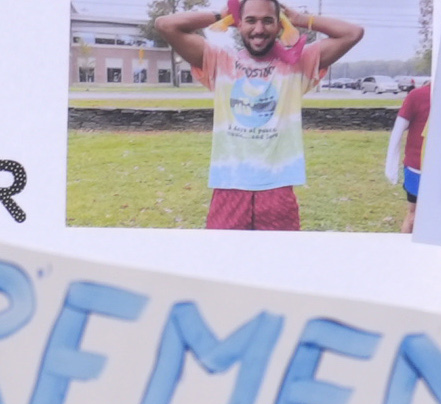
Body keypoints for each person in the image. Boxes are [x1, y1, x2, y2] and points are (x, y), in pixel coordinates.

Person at [156, 0, 367, 231]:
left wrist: (300, 19)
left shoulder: (298, 64)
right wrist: (221, 14)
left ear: (279, 26)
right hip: (230, 186)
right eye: (250, 20)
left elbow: (352, 33)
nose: (259, 29)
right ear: (238, 24)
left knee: (278, 263)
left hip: (278, 188)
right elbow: (166, 25)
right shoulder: (220, 61)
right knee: (223, 263)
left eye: (268, 21)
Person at [386, 76, 432, 227]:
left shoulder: (417, 95)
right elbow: (397, 131)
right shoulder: (418, 96)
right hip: (417, 167)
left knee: (415, 214)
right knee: (415, 215)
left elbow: (397, 131)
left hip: (431, 168)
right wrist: (391, 166)